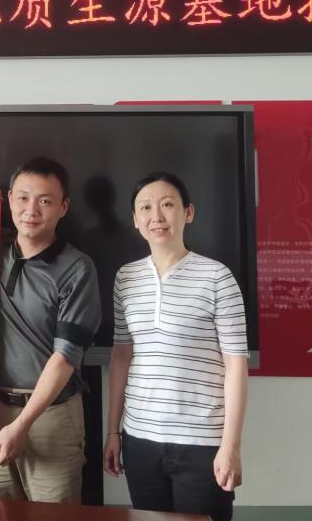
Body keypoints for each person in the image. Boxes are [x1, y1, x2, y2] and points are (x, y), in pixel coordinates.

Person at [102, 171, 248, 521]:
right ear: (135, 220)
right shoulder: (125, 278)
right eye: (146, 207)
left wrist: (230, 446)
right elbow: (121, 356)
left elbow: (236, 366)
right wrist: (113, 432)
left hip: (201, 443)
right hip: (140, 439)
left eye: (167, 205)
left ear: (188, 212)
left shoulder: (217, 277)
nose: (157, 216)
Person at [0, 156, 101, 504]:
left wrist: (22, 425)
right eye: (23, 198)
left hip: (50, 415)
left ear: (63, 207)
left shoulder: (77, 268)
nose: (31, 210)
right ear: (9, 199)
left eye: (45, 201)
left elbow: (65, 357)